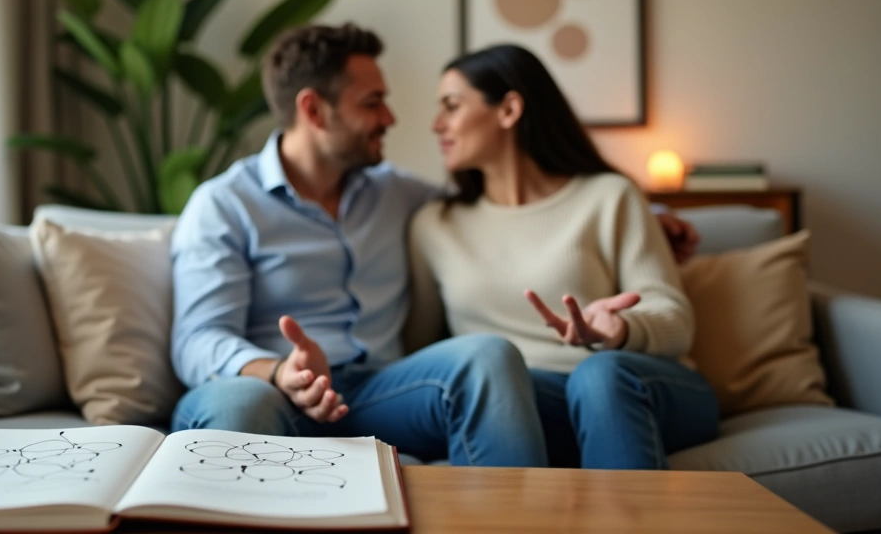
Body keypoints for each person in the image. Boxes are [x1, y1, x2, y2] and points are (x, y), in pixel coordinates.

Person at [169, 23, 698, 466]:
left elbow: (509, 210)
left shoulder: (399, 195)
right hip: (272, 388)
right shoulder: (224, 205)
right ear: (314, 110)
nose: (392, 119)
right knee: (239, 404)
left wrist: (655, 216)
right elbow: (197, 339)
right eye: (373, 103)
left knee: (487, 354)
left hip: (378, 391)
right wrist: (278, 371)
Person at [405, 43, 719, 470]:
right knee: (502, 395)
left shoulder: (609, 197)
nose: (436, 124)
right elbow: (422, 348)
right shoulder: (434, 225)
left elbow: (676, 318)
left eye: (452, 106)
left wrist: (621, 329)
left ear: (509, 110)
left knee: (599, 377)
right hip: (530, 401)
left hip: (640, 386)